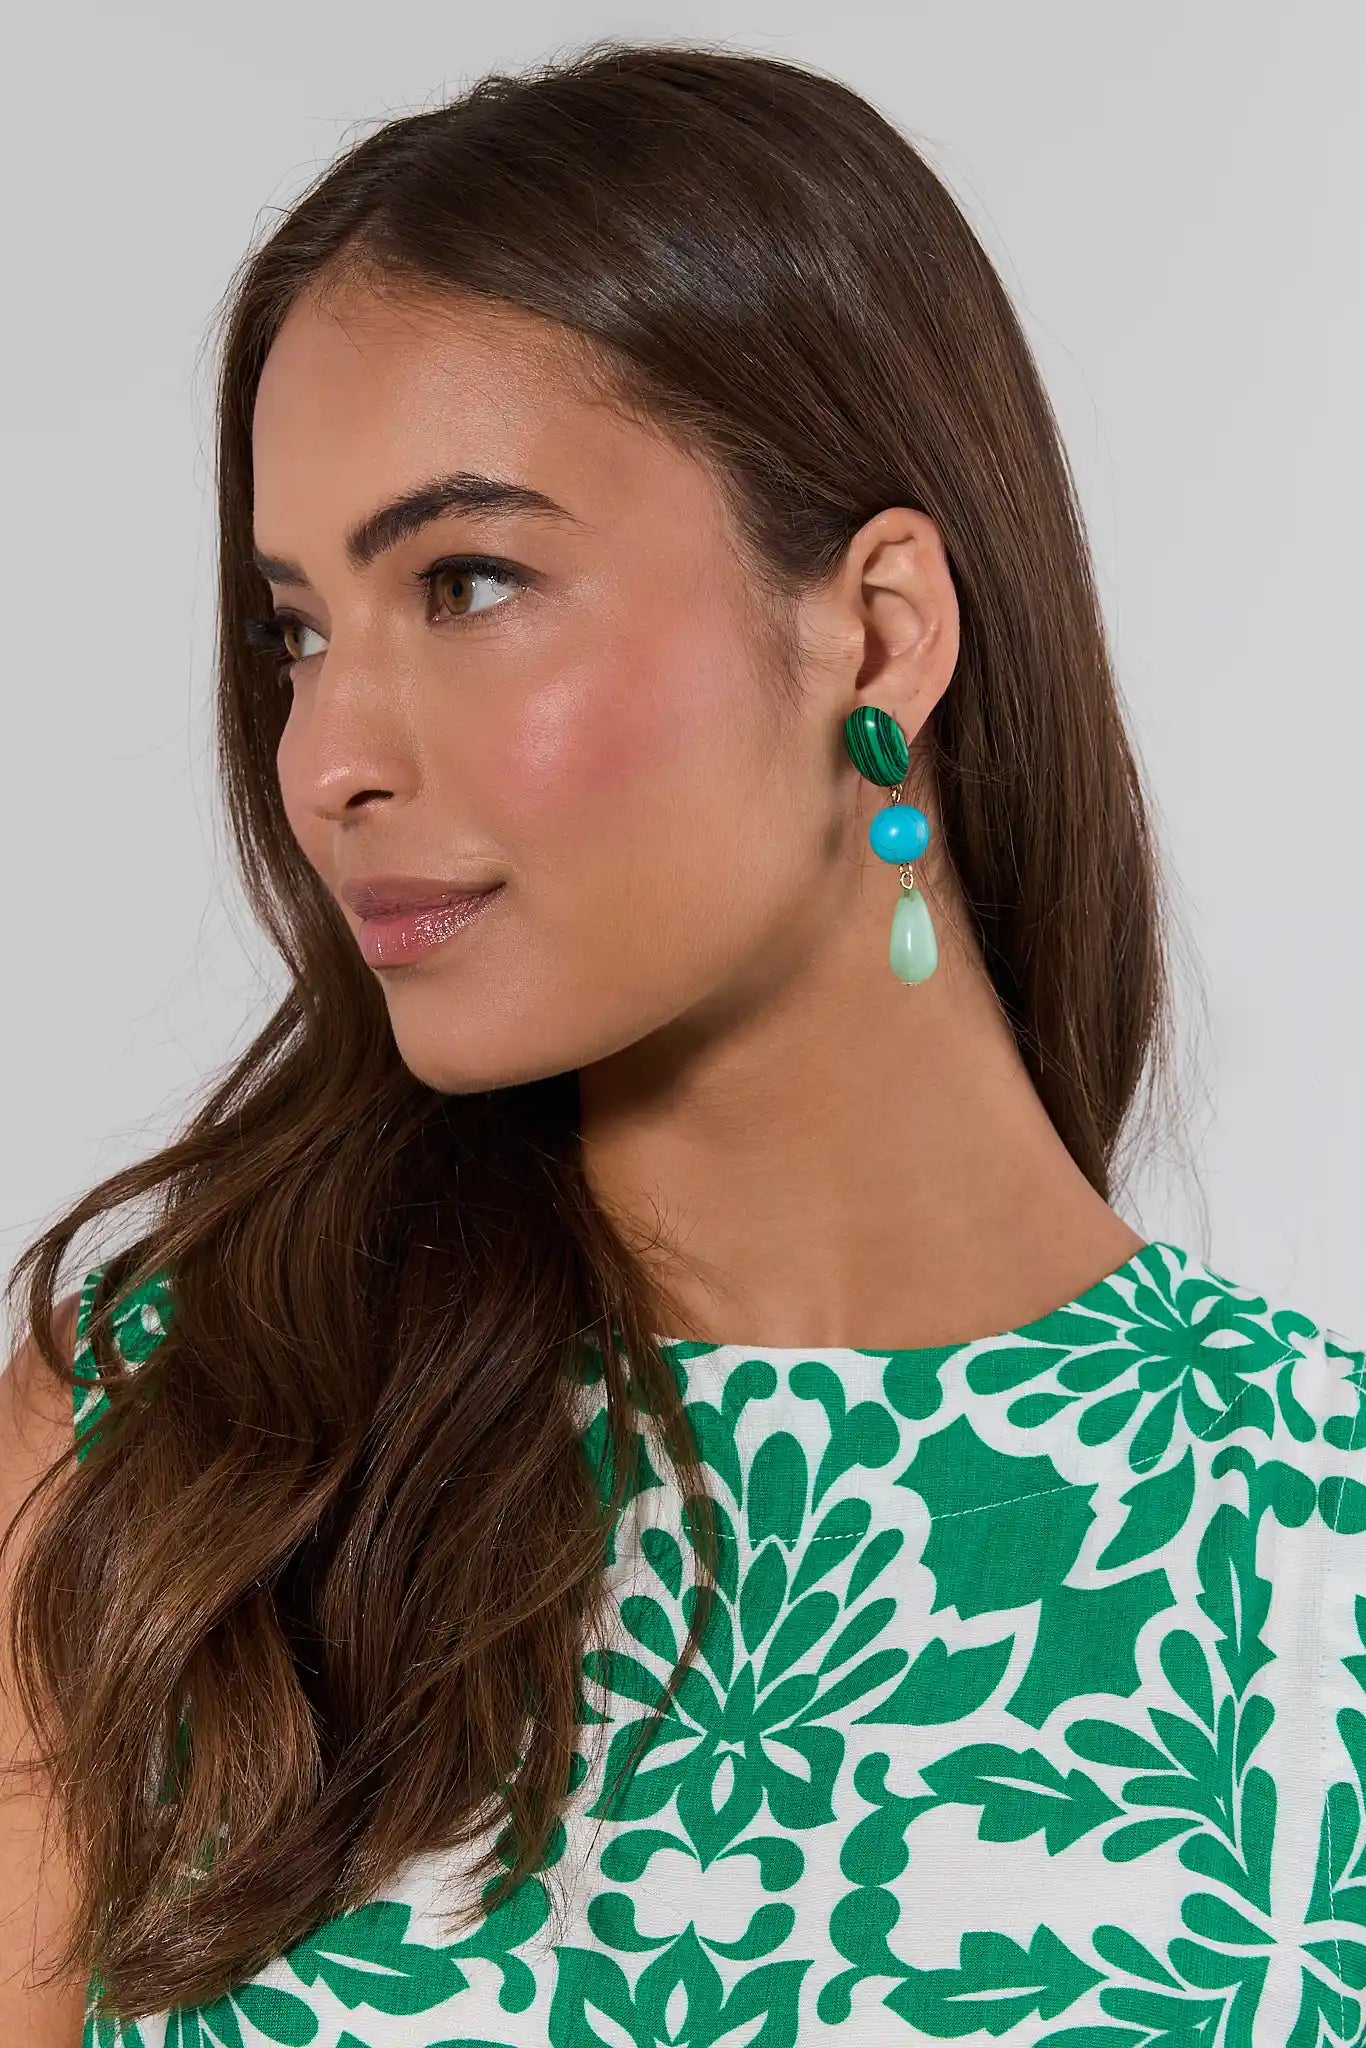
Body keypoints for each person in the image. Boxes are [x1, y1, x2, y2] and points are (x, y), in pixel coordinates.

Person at [2, 37, 1360, 2048]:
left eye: (465, 581)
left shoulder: (1312, 1549)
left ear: (877, 630)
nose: (326, 758)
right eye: (297, 626)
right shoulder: (176, 1462)